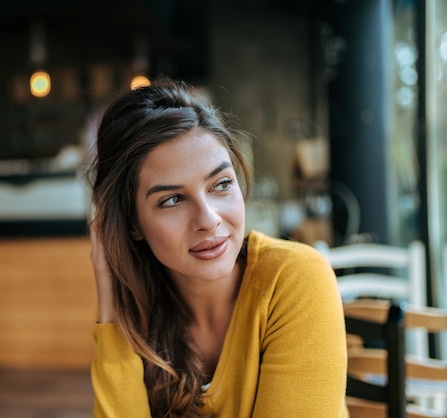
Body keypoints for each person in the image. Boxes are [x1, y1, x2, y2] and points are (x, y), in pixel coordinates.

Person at [87, 79, 348, 417]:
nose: (208, 220)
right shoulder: (139, 315)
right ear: (131, 224)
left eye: (221, 184)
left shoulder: (295, 279)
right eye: (172, 200)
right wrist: (111, 313)